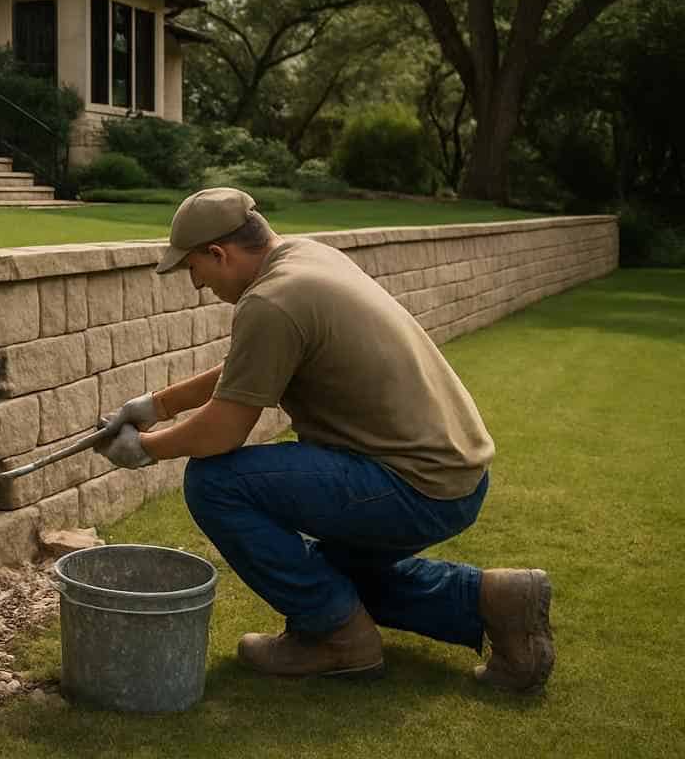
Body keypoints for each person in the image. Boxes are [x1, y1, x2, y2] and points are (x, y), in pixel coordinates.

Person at [95, 187, 554, 691]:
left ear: (218, 253)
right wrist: (159, 406)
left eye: (192, 269)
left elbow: (224, 431)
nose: (196, 283)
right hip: (453, 473)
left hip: (412, 484)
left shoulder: (271, 301)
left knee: (215, 482)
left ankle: (337, 640)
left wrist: (146, 448)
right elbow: (251, 364)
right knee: (330, 580)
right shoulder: (306, 259)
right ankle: (499, 600)